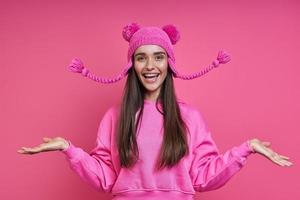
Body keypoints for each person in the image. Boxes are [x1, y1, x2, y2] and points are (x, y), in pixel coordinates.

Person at [18, 23, 293, 200]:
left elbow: (203, 177)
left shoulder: (190, 117)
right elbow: (104, 177)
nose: (150, 65)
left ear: (169, 63)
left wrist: (246, 149)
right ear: (132, 66)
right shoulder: (115, 117)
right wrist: (68, 149)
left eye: (158, 56)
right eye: (141, 57)